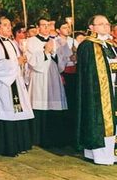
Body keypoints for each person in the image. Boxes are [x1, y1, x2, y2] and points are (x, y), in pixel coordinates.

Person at [0, 16, 34, 157]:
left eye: (9, 25)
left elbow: (16, 61)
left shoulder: (12, 42)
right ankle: (6, 147)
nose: (8, 27)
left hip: (15, 82)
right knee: (4, 112)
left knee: (17, 112)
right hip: (2, 83)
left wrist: (22, 61)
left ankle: (19, 144)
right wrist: (15, 63)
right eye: (5, 25)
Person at [75, 15, 117, 165]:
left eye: (107, 24)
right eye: (101, 24)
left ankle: (113, 154)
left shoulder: (111, 45)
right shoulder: (87, 46)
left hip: (114, 89)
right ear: (91, 27)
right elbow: (87, 74)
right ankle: (100, 155)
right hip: (97, 92)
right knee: (98, 121)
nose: (106, 26)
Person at [26, 18, 68, 148]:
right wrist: (44, 52)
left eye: (48, 25)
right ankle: (39, 138)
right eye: (43, 25)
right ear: (38, 27)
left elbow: (61, 62)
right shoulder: (30, 42)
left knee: (54, 107)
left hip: (53, 76)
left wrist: (54, 54)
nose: (46, 28)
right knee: (40, 105)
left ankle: (55, 138)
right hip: (39, 77)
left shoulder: (55, 41)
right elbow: (32, 62)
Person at [55, 20, 77, 144]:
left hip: (75, 73)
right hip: (64, 73)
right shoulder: (56, 42)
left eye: (68, 27)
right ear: (58, 30)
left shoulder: (73, 41)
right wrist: (68, 58)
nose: (67, 29)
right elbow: (57, 59)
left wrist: (77, 55)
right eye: (64, 27)